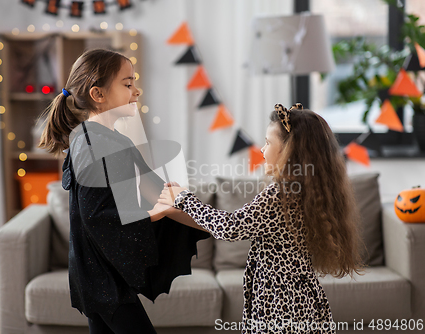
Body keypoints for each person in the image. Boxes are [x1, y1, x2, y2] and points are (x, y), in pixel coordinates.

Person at [38, 48, 209, 334]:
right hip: (100, 278)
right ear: (98, 94)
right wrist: (158, 212)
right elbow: (98, 216)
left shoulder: (111, 140)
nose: (136, 91)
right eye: (127, 84)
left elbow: (157, 192)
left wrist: (221, 223)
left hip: (103, 274)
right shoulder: (93, 144)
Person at [158, 103, 363, 333]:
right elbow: (221, 225)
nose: (262, 151)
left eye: (268, 142)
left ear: (290, 149)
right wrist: (172, 210)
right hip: (294, 300)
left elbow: (230, 227)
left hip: (283, 306)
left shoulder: (281, 193)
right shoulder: (300, 189)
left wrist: (184, 198)